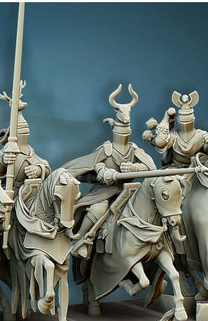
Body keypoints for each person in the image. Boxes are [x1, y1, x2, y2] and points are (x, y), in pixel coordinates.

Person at [64, 84, 155, 259]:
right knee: (99, 209)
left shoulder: (134, 150)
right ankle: (81, 240)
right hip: (104, 192)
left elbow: (151, 169)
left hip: (128, 193)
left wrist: (134, 168)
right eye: (121, 131)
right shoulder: (106, 149)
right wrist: (103, 172)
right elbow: (94, 164)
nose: (124, 136)